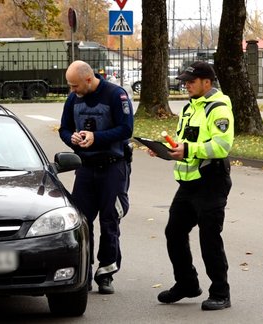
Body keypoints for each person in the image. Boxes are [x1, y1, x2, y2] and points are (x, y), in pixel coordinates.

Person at [151, 61, 234, 310]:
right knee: (174, 233)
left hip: (211, 180)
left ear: (206, 82)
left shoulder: (218, 108)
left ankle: (221, 292)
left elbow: (221, 146)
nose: (186, 85)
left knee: (209, 238)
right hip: (188, 182)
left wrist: (188, 149)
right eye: (185, 82)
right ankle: (187, 284)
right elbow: (185, 141)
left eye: (190, 82)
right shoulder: (190, 107)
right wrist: (168, 149)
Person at [59, 60, 134, 294]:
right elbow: (63, 128)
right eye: (70, 86)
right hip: (85, 168)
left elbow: (126, 129)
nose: (72, 91)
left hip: (113, 166)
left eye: (75, 86)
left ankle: (106, 273)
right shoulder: (73, 99)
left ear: (89, 80)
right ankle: (85, 272)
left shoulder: (115, 95)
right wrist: (70, 137)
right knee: (81, 221)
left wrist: (96, 137)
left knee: (110, 219)